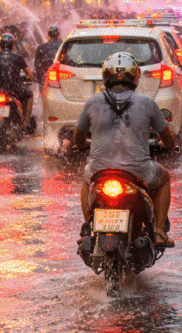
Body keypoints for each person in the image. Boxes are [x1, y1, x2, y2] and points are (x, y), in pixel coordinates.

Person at [73, 52, 176, 248]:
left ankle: (88, 225)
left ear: (105, 77)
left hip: (100, 172)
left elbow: (78, 138)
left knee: (87, 177)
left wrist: (85, 145)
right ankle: (160, 231)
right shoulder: (147, 102)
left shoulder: (92, 102)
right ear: (134, 77)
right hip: (139, 173)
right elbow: (168, 139)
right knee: (165, 177)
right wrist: (168, 147)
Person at [0, 32, 34, 135]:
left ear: (0, 44)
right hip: (14, 89)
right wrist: (30, 77)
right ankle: (26, 123)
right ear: (12, 44)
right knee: (30, 95)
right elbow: (29, 73)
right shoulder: (18, 57)